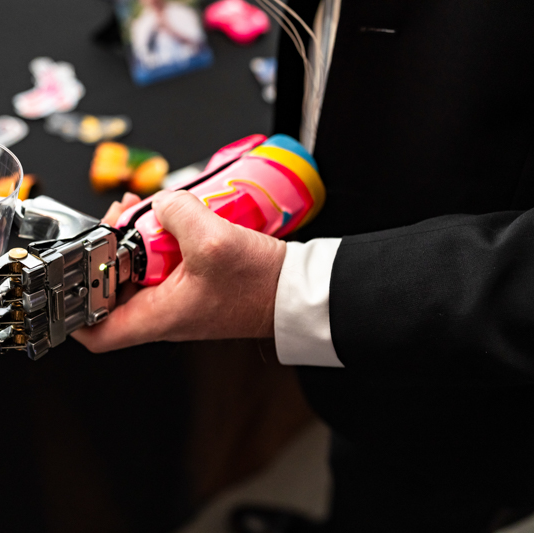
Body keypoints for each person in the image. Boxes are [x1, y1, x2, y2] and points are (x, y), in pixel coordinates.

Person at [74, 0, 534, 531]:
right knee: (365, 474)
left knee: (419, 500)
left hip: (475, 397)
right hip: (362, 368)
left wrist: (290, 289)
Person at [129, 0, 205, 70]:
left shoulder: (184, 13)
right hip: (161, 74)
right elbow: (144, 57)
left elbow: (198, 43)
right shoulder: (140, 26)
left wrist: (171, 31)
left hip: (191, 66)